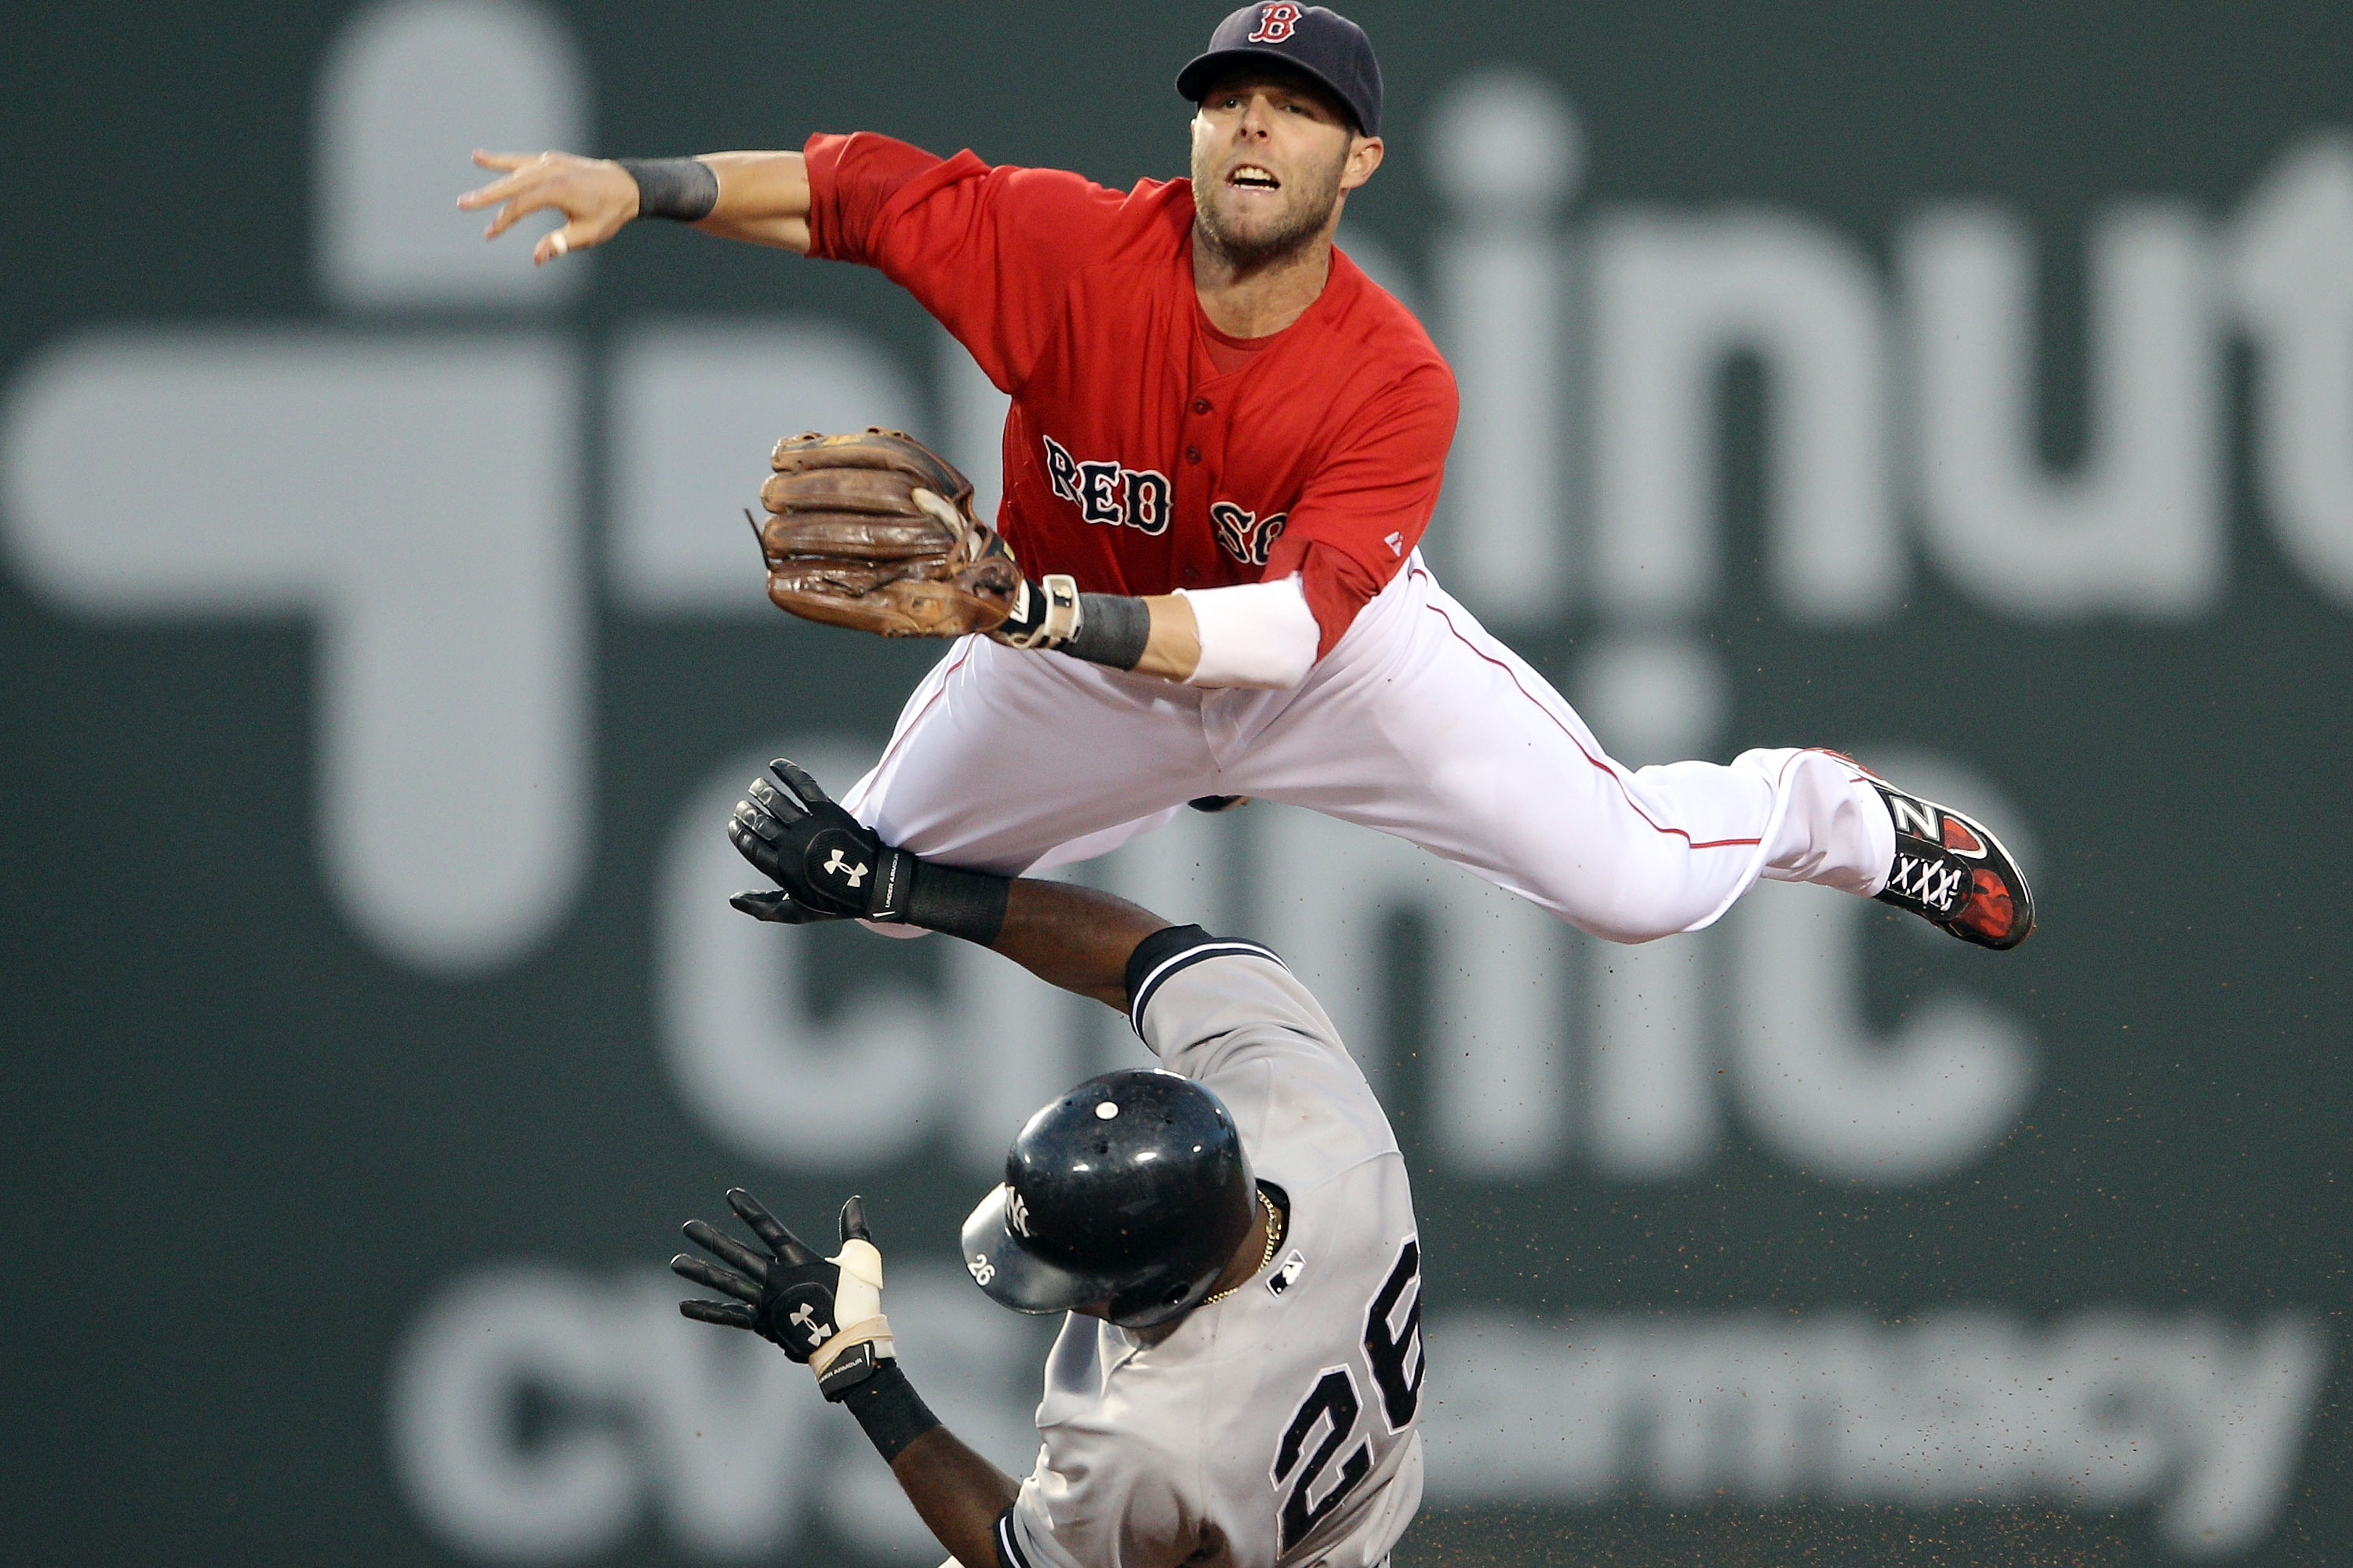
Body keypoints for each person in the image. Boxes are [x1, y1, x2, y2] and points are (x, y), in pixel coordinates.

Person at [458, 3, 2035, 951]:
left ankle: (1823, 810)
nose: (1256, 121)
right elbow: (849, 195)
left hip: (1321, 676)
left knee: (1633, 883)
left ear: (1360, 164)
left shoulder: (1393, 377)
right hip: (1062, 656)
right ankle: (1071, 796)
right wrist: (640, 186)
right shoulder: (1075, 250)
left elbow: (1286, 636)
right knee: (869, 881)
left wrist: (1050, 614)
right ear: (1200, 132)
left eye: (1303, 107)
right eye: (1230, 96)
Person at [670, 755, 1427, 1568]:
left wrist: (857, 1366)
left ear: (1167, 1288)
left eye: (1087, 1284)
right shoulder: (1323, 1122)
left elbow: (1012, 1555)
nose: (1075, 1298)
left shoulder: (1151, 1433)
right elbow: (1142, 955)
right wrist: (904, 888)